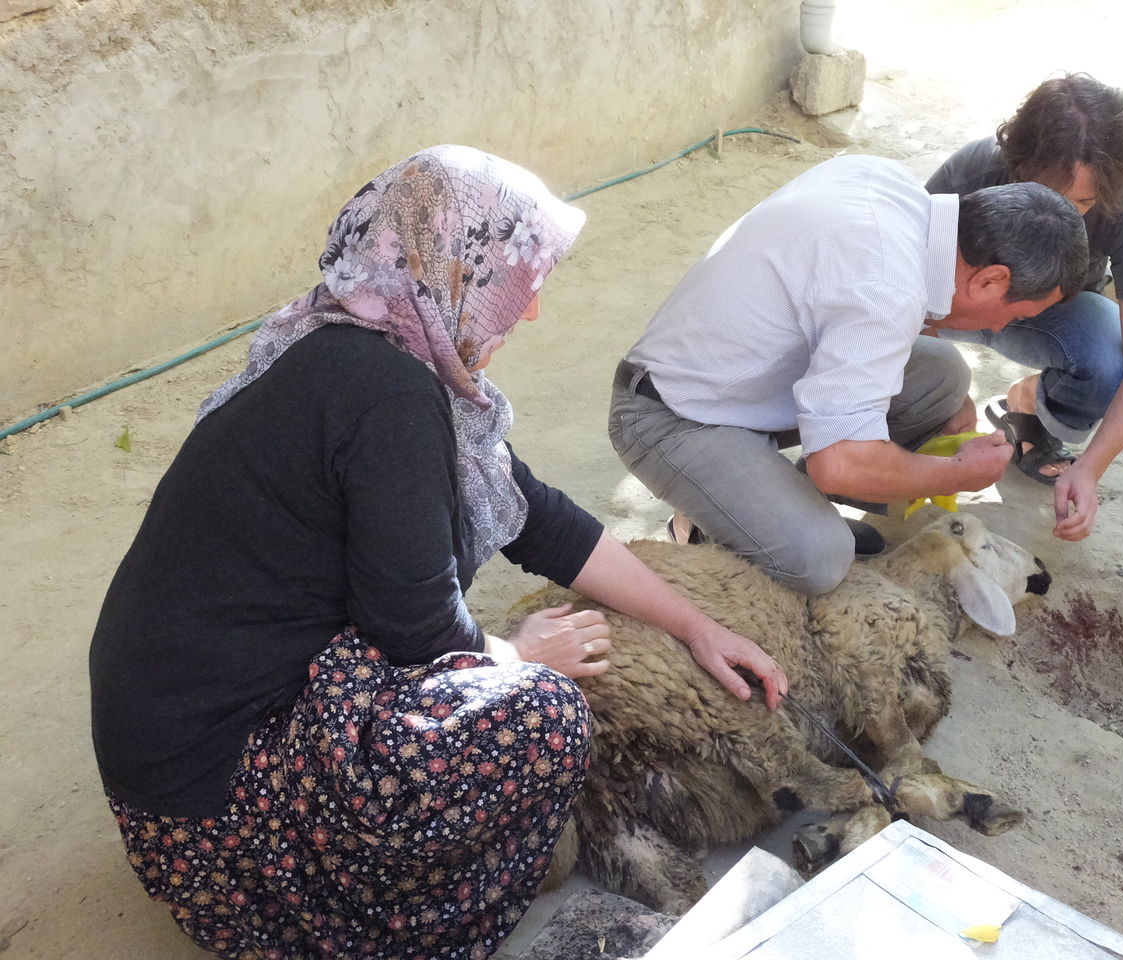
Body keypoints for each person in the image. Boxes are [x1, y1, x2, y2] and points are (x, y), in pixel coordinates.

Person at [89, 145, 786, 960]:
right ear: (454, 269)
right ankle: (382, 928)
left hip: (171, 766)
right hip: (223, 823)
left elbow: (537, 516)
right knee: (543, 716)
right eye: (515, 282)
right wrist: (518, 653)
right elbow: (417, 626)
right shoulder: (389, 395)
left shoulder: (353, 345)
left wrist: (696, 626)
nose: (529, 311)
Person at [610, 155, 1087, 596]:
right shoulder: (887, 287)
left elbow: (874, 314)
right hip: (672, 415)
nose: (1001, 328)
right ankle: (718, 522)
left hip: (739, 380)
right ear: (991, 279)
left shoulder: (892, 188)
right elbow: (839, 463)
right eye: (1014, 314)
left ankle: (776, 504)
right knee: (819, 558)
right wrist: (957, 474)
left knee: (942, 375)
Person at [926, 73, 1123, 542]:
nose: (1059, 215)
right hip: (952, 305)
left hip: (1045, 318)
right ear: (1016, 163)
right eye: (1044, 192)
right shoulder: (971, 173)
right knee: (918, 388)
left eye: (1082, 202)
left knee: (1108, 359)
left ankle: (1029, 412)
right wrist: (944, 397)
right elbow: (898, 298)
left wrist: (1091, 468)